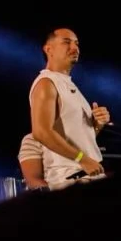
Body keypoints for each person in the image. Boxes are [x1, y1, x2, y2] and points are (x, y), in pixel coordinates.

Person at [29, 28, 110, 189]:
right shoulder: (46, 82)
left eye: (77, 43)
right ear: (48, 49)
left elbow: (80, 139)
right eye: (66, 42)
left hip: (87, 175)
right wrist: (83, 159)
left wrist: (97, 124)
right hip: (70, 180)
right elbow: (41, 132)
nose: (75, 47)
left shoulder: (68, 84)